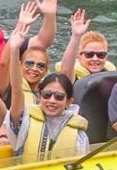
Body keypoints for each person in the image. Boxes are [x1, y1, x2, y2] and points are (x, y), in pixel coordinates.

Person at [5, 22, 89, 162]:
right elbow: (17, 88)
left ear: (69, 102)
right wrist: (14, 50)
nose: (52, 100)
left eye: (59, 97)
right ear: (40, 96)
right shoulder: (25, 119)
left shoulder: (78, 130)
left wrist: (76, 37)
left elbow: (67, 72)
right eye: (47, 95)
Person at [58, 8, 117, 78]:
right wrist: (76, 36)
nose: (95, 59)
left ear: (106, 57)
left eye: (101, 54)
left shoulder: (112, 76)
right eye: (89, 54)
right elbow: (66, 72)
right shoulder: (73, 77)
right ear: (79, 56)